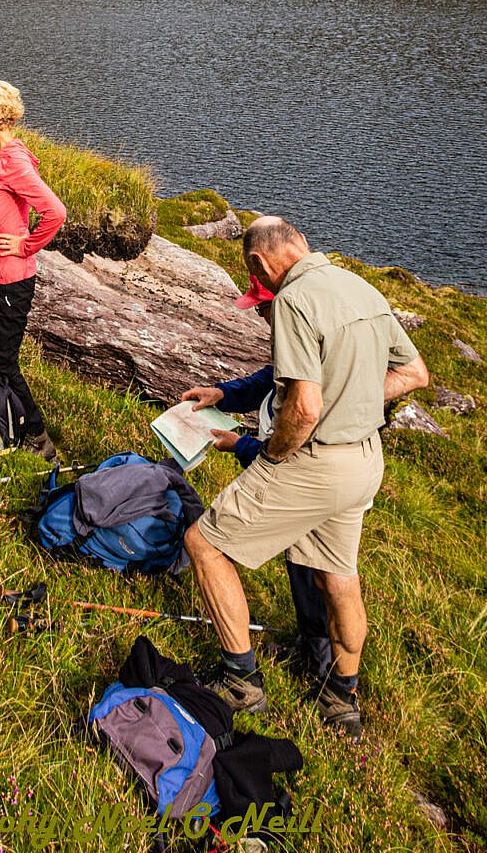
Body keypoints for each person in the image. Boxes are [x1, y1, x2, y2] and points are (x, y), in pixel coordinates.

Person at [182, 216, 429, 739]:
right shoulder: (358, 287)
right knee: (337, 577)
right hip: (364, 461)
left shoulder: (294, 300)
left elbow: (305, 408)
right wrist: (355, 396)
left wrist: (268, 455)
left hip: (312, 462)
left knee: (204, 543)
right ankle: (343, 699)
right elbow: (413, 374)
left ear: (259, 263)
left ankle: (241, 685)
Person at [181, 272, 332, 683]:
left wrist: (242, 447)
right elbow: (270, 379)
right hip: (329, 474)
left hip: (307, 476)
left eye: (263, 307)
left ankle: (313, 671)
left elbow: (290, 444)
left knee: (318, 568)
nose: (262, 315)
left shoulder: (297, 325)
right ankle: (316, 656)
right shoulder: (308, 328)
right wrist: (222, 394)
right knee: (306, 560)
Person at [0, 79, 66, 461]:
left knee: (4, 360)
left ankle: (37, 436)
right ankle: (3, 418)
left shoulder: (13, 162)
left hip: (9, 277)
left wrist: (26, 244)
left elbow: (55, 212)